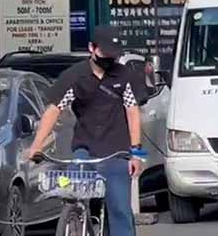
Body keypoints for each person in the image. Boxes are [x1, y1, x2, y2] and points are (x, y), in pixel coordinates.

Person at [26, 27, 146, 236]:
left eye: (113, 55)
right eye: (104, 53)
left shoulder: (125, 76)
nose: (109, 59)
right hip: (85, 150)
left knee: (120, 210)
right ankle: (78, 219)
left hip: (117, 151)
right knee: (72, 190)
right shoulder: (75, 76)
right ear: (92, 48)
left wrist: (137, 155)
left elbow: (133, 113)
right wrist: (36, 146)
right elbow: (54, 110)